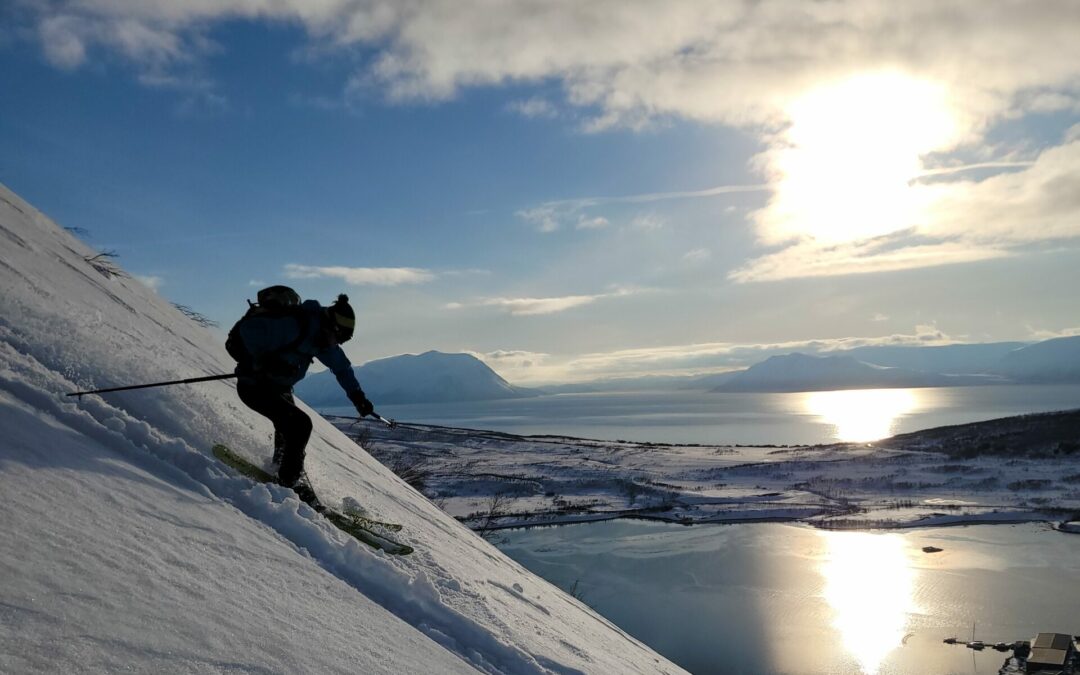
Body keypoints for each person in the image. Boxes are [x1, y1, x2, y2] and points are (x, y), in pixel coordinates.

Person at [226, 288, 374, 504]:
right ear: (330, 326)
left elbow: (342, 368)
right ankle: (288, 483)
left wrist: (357, 397)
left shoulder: (322, 338)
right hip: (254, 386)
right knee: (300, 425)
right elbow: (248, 332)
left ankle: (281, 470)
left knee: (288, 429)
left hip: (278, 389)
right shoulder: (294, 325)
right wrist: (263, 360)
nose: (336, 345)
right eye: (338, 338)